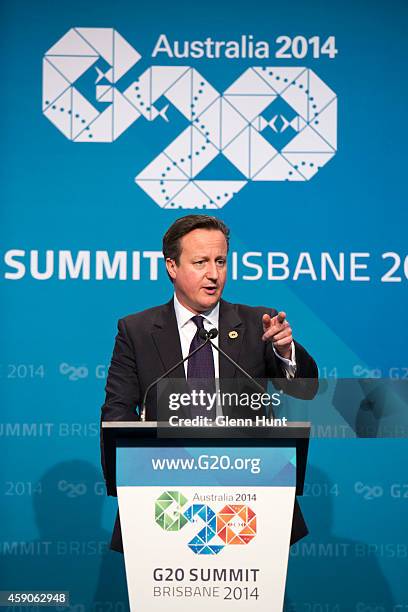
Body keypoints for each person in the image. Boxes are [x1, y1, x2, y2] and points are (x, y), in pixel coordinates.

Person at [101, 215, 318, 552]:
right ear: (172, 266)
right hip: (165, 503)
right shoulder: (137, 331)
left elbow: (305, 390)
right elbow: (117, 414)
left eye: (220, 261)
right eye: (200, 262)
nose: (214, 274)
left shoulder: (257, 323)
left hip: (251, 503)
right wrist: (128, 485)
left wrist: (285, 350)